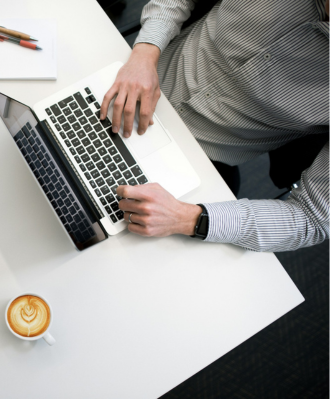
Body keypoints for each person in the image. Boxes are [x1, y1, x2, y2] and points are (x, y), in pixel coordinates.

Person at [100, 0, 329, 252]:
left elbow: (312, 218)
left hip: (196, 163)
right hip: (128, 75)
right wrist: (145, 53)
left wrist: (186, 218)